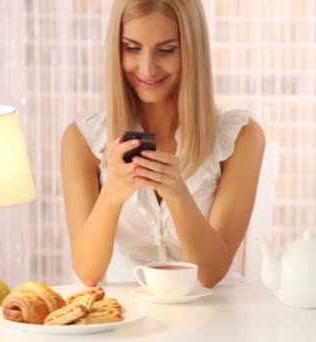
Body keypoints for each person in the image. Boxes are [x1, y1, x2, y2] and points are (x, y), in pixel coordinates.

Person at [60, 0, 265, 288]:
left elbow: (212, 273)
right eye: (131, 48)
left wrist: (177, 192)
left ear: (192, 50)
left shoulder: (241, 137)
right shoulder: (82, 139)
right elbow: (87, 272)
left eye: (166, 50)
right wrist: (113, 193)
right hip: (128, 321)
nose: (147, 67)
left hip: (215, 315)